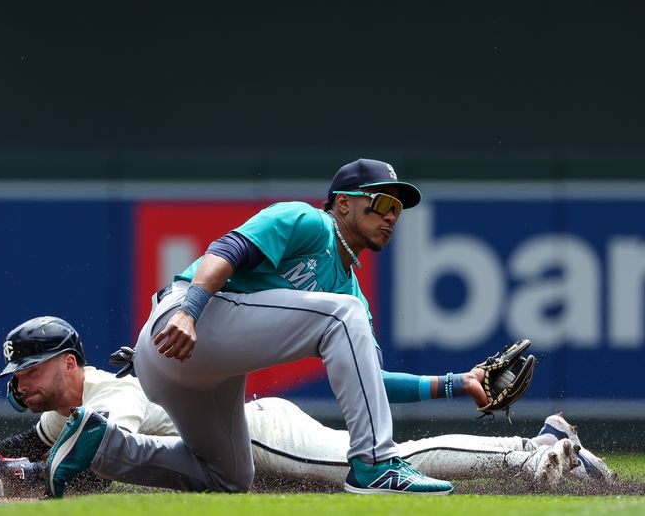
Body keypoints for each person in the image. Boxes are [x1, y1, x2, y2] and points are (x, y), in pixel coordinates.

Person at [41, 158, 459, 496]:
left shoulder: (349, 295)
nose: (391, 216)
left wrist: (454, 385)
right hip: (187, 323)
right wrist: (189, 311)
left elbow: (371, 384)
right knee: (342, 314)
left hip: (200, 371)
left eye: (398, 209)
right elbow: (227, 248)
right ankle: (374, 463)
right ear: (343, 203)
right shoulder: (310, 222)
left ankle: (100, 446)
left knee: (230, 477)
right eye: (381, 202)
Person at [0, 315, 615, 495]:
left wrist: (32, 480)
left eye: (29, 369)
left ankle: (532, 448)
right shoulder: (56, 411)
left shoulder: (110, 394)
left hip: (259, 434)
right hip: (241, 445)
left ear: (67, 363)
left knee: (379, 465)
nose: (20, 380)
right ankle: (534, 449)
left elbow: (98, 461)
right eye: (16, 371)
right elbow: (35, 443)